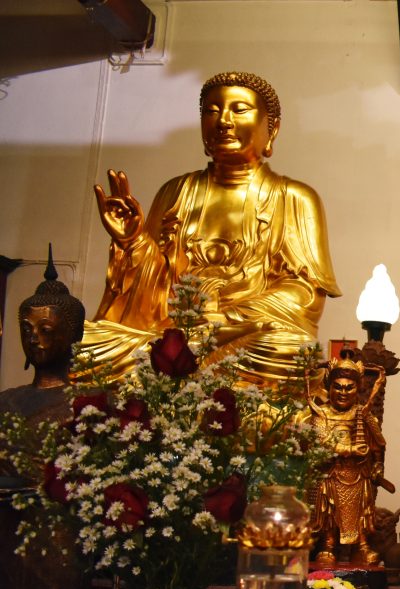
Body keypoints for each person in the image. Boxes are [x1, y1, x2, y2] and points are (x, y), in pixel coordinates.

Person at [82, 71, 341, 384]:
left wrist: (224, 318)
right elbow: (151, 292)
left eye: (240, 110)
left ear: (271, 128)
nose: (224, 122)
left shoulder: (295, 198)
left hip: (243, 337)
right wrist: (132, 243)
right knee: (89, 347)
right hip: (169, 337)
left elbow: (304, 295)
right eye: (212, 111)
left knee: (289, 349)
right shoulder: (176, 191)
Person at [305, 355, 386, 566]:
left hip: (358, 474)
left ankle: (361, 547)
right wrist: (349, 449)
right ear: (329, 387)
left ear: (357, 389)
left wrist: (378, 464)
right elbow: (321, 442)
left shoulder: (363, 414)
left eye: (349, 388)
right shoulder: (321, 414)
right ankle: (327, 546)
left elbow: (379, 443)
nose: (343, 392)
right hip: (331, 472)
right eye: (338, 387)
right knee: (328, 511)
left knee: (361, 511)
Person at [0, 248, 86, 428]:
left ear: (74, 335)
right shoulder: (6, 401)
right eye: (26, 329)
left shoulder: (89, 403)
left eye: (45, 330)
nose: (33, 339)